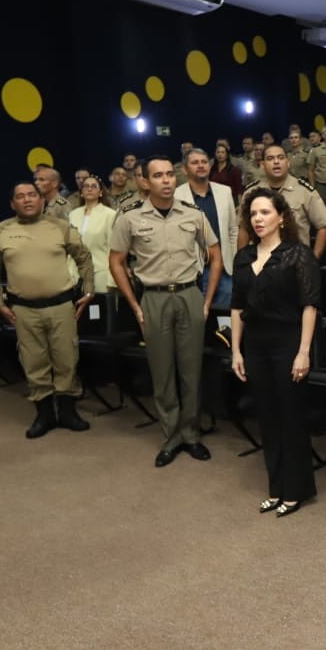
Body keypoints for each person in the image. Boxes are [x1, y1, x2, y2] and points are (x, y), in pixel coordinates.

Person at [109, 156, 222, 468]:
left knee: (191, 370)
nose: (166, 180)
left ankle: (191, 434)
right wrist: (134, 304)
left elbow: (215, 255)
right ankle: (171, 436)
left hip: (188, 295)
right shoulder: (129, 219)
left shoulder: (193, 214)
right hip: (154, 299)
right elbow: (116, 261)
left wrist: (207, 299)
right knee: (162, 372)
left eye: (170, 174)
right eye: (158, 176)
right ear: (145, 181)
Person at [230, 187, 321, 517]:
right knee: (267, 419)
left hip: (288, 343)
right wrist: (236, 351)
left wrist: (304, 352)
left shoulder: (298, 255)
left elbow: (310, 306)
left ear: (281, 217)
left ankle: (296, 490)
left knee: (290, 418)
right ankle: (276, 487)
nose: (258, 219)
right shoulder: (243, 257)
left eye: (265, 212)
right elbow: (237, 307)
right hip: (255, 346)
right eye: (253, 214)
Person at [0, 182, 95, 438]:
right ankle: (44, 414)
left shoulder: (61, 227)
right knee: (34, 362)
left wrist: (88, 291)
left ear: (41, 200)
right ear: (13, 204)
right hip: (24, 310)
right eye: (20, 197)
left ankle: (67, 412)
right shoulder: (0, 232)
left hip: (62, 307)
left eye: (32, 195)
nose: (27, 200)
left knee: (67, 359)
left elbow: (84, 258)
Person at [242, 144, 326, 260]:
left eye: (280, 158)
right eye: (270, 159)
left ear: (288, 162)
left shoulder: (304, 191)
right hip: (259, 262)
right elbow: (243, 228)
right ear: (262, 165)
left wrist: (312, 260)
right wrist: (242, 262)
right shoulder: (252, 192)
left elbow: (324, 226)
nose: (276, 162)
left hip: (295, 262)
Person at [174, 148, 237, 308]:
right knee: (195, 320)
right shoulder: (175, 196)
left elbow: (232, 230)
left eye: (204, 162)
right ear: (185, 169)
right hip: (192, 270)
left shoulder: (225, 192)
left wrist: (232, 258)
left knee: (224, 321)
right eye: (195, 163)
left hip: (224, 269)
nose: (201, 166)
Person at [68, 176, 117, 291]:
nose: (89, 189)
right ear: (81, 192)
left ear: (100, 192)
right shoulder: (73, 215)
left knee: (98, 308)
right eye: (86, 186)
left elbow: (113, 249)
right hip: (74, 274)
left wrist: (112, 280)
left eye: (94, 186)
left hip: (100, 273)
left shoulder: (110, 215)